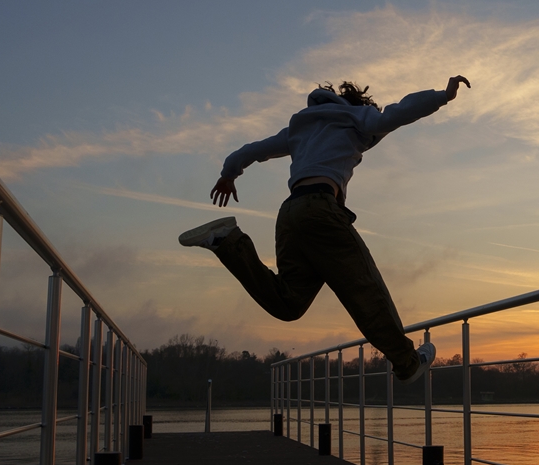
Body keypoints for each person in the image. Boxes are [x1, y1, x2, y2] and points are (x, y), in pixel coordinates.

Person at [179, 75, 471, 383]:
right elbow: (398, 113)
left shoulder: (300, 128)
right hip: (320, 210)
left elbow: (254, 149)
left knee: (289, 302)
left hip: (290, 213)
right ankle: (407, 362)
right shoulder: (357, 118)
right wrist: (443, 95)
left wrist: (229, 174)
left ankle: (227, 241)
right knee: (364, 288)